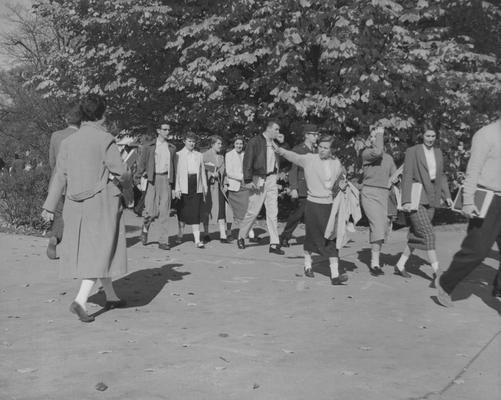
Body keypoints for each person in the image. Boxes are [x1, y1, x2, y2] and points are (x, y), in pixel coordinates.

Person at [41, 94, 132, 323]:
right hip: (101, 203)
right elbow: (121, 172)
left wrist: (49, 206)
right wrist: (127, 187)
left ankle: (111, 295)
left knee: (96, 249)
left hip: (74, 204)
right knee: (101, 249)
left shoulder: (68, 142)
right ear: (102, 114)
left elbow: (59, 176)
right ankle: (81, 300)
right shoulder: (105, 139)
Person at [437, 119, 501, 307]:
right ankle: (445, 283)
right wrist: (467, 200)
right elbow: (473, 170)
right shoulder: (486, 134)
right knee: (477, 250)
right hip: (487, 199)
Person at [273, 135, 348, 284]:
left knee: (331, 238)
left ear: (331, 150)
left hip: (329, 206)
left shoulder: (336, 163)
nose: (322, 150)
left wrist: (341, 185)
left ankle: (335, 275)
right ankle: (307, 265)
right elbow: (293, 156)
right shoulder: (309, 159)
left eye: (326, 148)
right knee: (311, 237)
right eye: (320, 146)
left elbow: (341, 180)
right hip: (313, 204)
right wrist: (280, 150)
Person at [393, 128, 452, 281]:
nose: (430, 139)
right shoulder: (413, 151)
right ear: (422, 136)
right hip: (416, 196)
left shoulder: (438, 152)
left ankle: (400, 265)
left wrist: (448, 196)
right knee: (428, 234)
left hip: (432, 196)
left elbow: (441, 175)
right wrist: (406, 200)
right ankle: (438, 272)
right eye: (427, 135)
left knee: (416, 234)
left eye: (433, 136)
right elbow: (407, 175)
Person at [236, 120, 284, 255]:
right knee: (253, 211)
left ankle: (274, 243)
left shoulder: (275, 143)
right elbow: (247, 161)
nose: (278, 132)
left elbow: (283, 158)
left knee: (273, 212)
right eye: (276, 129)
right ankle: (241, 236)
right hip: (259, 179)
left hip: (272, 178)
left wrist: (281, 144)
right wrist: (248, 179)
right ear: (268, 129)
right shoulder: (255, 142)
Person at [360, 127, 399, 276]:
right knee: (376, 225)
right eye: (372, 137)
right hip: (369, 193)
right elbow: (378, 151)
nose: (373, 139)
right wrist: (379, 134)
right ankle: (375, 264)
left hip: (384, 194)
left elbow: (394, 174)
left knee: (382, 228)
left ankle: (375, 259)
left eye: (375, 137)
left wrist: (395, 178)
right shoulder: (367, 153)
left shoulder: (388, 158)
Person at [46, 106, 82, 260]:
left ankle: (54, 238)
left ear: (67, 120)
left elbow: (52, 161)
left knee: (59, 214)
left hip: (58, 182)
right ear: (81, 121)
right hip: (77, 182)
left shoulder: (56, 135)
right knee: (76, 215)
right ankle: (73, 248)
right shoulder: (82, 136)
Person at [135, 123, 176, 250]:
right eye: (164, 129)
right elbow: (142, 164)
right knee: (150, 212)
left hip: (166, 180)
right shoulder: (149, 147)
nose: (167, 132)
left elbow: (175, 167)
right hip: (152, 180)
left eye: (168, 129)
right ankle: (145, 229)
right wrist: (137, 178)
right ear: (158, 131)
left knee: (164, 212)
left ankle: (163, 241)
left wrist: (175, 186)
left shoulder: (172, 148)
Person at [279, 123, 319, 248]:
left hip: (315, 188)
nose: (316, 137)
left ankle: (314, 240)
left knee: (314, 216)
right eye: (314, 135)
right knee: (297, 215)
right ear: (307, 135)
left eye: (317, 134)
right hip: (302, 188)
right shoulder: (298, 149)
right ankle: (284, 236)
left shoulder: (317, 150)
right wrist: (294, 188)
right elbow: (293, 170)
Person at [174, 132, 208, 248]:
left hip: (196, 186)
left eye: (193, 141)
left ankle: (197, 240)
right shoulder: (178, 154)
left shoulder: (199, 155)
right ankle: (180, 234)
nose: (192, 143)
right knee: (182, 213)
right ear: (184, 141)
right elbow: (177, 173)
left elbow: (202, 172)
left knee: (195, 213)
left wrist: (205, 186)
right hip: (183, 186)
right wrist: (177, 188)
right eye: (189, 141)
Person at [225, 136, 257, 241]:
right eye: (237, 143)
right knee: (232, 212)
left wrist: (248, 178)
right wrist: (242, 177)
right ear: (233, 144)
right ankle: (228, 232)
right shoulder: (229, 155)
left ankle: (250, 232)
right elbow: (229, 172)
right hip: (234, 187)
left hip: (245, 186)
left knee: (247, 209)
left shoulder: (245, 155)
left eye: (241, 144)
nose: (239, 146)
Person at [202, 135, 231, 243]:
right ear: (212, 144)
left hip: (219, 187)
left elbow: (225, 172)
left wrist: (225, 183)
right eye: (218, 143)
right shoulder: (205, 155)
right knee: (207, 209)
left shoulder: (221, 157)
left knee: (221, 210)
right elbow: (201, 170)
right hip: (208, 187)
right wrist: (210, 174)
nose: (220, 146)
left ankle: (223, 234)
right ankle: (206, 233)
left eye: (221, 143)